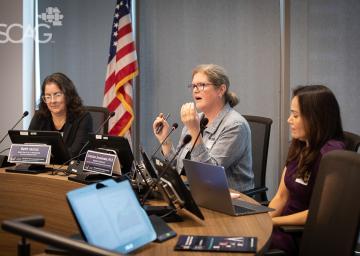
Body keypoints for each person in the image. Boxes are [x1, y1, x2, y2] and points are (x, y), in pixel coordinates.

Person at [268, 85, 345, 255]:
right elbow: (281, 196)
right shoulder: (299, 145)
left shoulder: (332, 155)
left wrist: (273, 223)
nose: (289, 120)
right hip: (281, 227)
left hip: (300, 235)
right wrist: (265, 220)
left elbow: (320, 214)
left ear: (316, 118)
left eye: (295, 115)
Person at [153, 64, 254, 192]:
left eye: (202, 85)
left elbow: (209, 177)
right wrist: (165, 140)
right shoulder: (196, 119)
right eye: (193, 86)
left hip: (231, 201)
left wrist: (195, 131)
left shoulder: (235, 126)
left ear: (221, 90)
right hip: (196, 193)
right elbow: (180, 169)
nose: (195, 90)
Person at [29, 72, 92, 159]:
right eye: (48, 96)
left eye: (57, 95)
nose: (52, 101)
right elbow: (28, 148)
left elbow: (76, 154)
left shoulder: (83, 117)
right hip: (42, 170)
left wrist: (45, 157)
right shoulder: (39, 117)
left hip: (69, 171)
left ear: (68, 95)